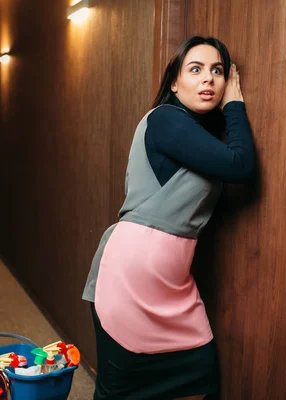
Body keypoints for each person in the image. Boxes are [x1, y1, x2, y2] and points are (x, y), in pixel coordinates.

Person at [82, 36, 256, 399]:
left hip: (173, 288)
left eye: (217, 71)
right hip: (130, 284)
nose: (208, 79)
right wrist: (235, 106)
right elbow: (241, 165)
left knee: (201, 379)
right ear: (174, 82)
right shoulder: (164, 120)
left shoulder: (197, 139)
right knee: (118, 391)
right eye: (195, 69)